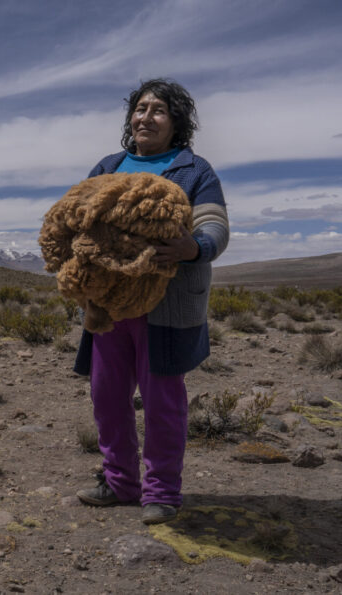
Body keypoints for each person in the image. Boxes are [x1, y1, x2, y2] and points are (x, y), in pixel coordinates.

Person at [74, 78, 229, 525]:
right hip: (108, 304)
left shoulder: (194, 170)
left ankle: (162, 492)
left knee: (162, 398)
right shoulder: (108, 165)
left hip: (165, 304)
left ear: (176, 122)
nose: (146, 117)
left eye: (158, 110)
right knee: (107, 395)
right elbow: (78, 215)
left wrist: (194, 247)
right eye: (140, 109)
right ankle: (120, 481)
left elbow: (215, 224)